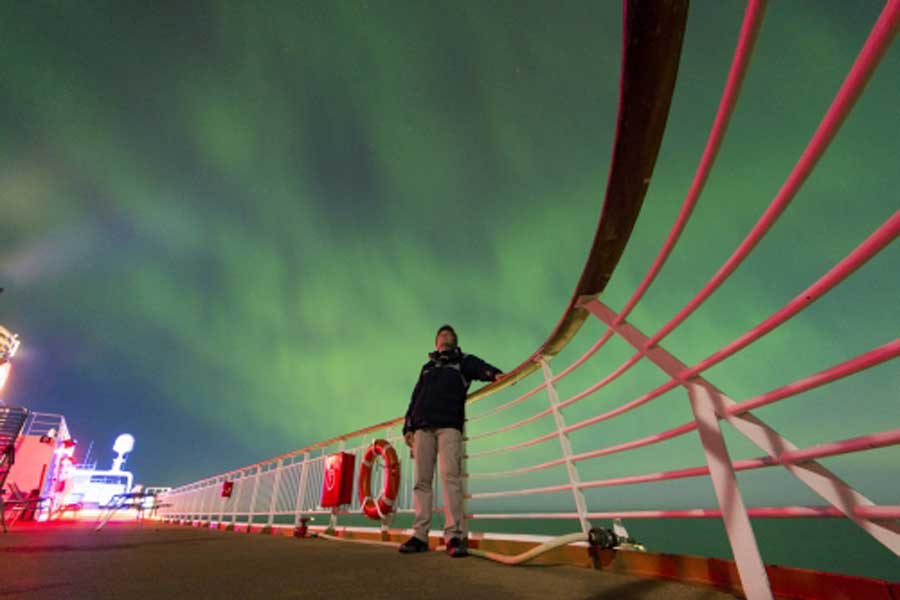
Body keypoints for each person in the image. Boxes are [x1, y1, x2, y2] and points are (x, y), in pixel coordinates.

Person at [398, 324, 503, 557]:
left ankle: (453, 536)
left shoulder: (463, 361)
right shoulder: (427, 368)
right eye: (441, 335)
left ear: (455, 341)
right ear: (436, 342)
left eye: (449, 335)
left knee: (450, 479)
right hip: (422, 428)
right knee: (422, 482)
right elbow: (415, 398)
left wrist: (495, 374)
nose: (445, 337)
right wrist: (408, 427)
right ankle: (419, 536)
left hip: (449, 427)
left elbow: (481, 368)